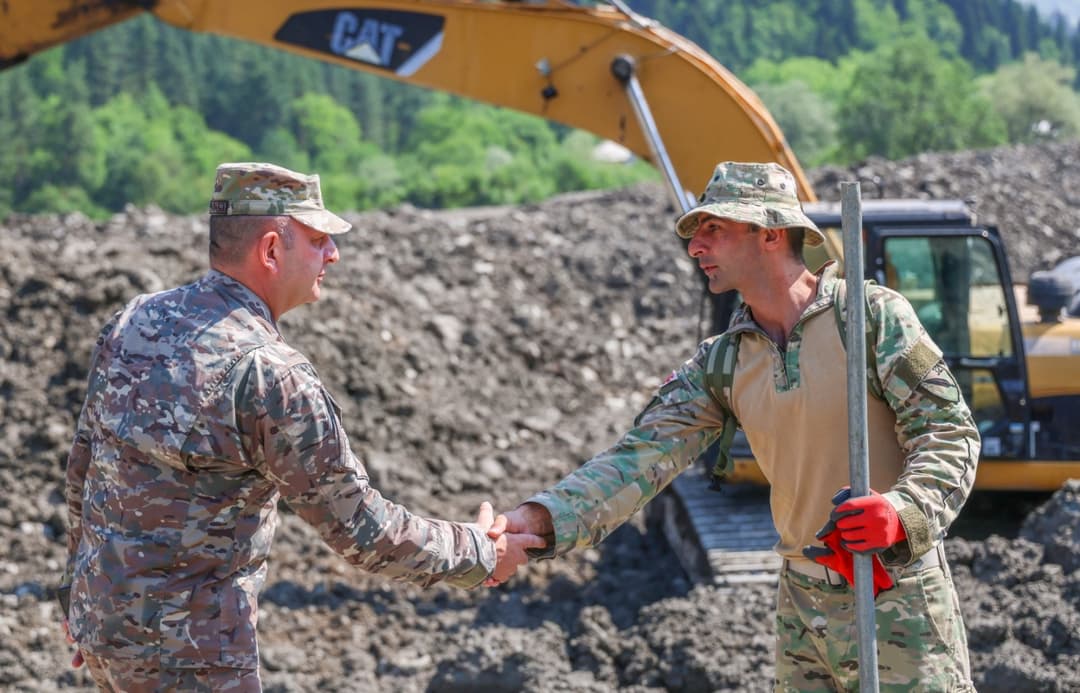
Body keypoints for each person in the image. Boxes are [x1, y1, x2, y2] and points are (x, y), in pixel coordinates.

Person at [488, 162, 979, 691]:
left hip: (894, 597)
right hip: (802, 606)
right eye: (695, 234)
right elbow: (639, 459)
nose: (696, 247)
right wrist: (539, 521)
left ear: (770, 233)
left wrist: (902, 512)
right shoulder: (721, 362)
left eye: (713, 229)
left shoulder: (869, 318)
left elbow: (951, 433)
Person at [59, 162, 543, 692]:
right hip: (191, 660)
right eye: (317, 240)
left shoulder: (135, 320)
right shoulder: (270, 376)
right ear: (270, 250)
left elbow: (84, 468)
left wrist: (76, 600)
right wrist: (479, 551)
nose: (332, 254)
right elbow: (365, 531)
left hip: (106, 633)